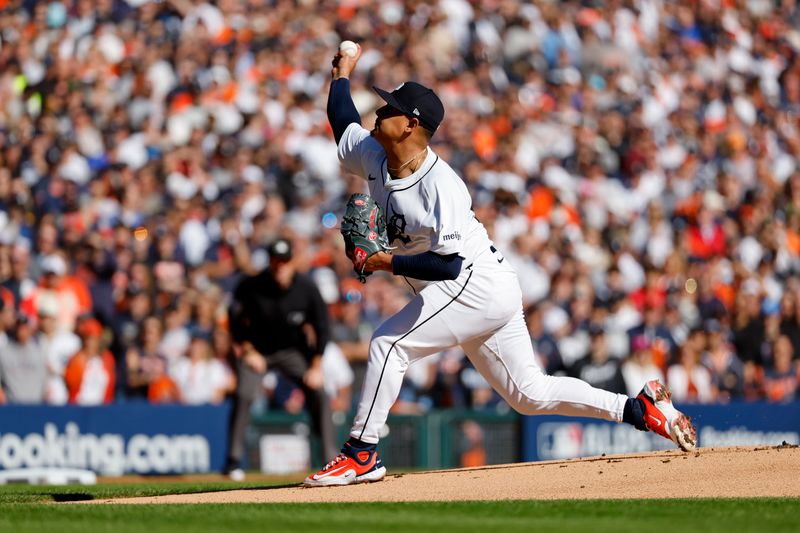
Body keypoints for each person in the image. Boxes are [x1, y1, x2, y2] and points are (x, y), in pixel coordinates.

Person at [303, 44, 697, 487]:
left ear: (412, 124)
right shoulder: (374, 155)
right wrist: (341, 73)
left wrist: (382, 262)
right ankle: (640, 409)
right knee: (529, 394)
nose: (379, 111)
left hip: (474, 284)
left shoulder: (441, 185)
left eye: (390, 108)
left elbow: (447, 266)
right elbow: (342, 124)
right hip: (483, 286)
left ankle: (361, 453)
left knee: (388, 345)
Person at [225, 237, 336, 479]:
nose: (280, 266)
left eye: (285, 261)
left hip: (292, 351)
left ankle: (330, 459)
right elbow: (233, 320)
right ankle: (233, 461)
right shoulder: (251, 285)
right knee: (244, 394)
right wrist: (247, 349)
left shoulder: (306, 288)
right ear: (270, 262)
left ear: (292, 262)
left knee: (320, 393)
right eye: (276, 261)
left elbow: (323, 327)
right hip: (258, 350)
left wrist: (316, 365)